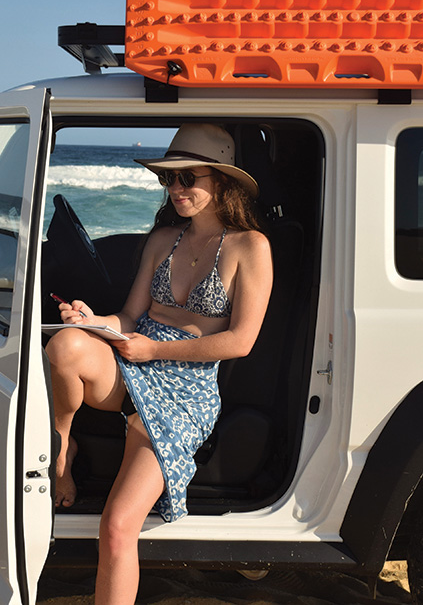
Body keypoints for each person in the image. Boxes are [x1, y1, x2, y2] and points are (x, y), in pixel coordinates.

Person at [44, 123, 274, 604]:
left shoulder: (250, 247)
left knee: (117, 528)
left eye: (188, 178)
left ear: (221, 181)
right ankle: (62, 451)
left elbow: (240, 341)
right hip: (132, 363)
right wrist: (92, 319)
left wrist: (155, 350)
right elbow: (129, 317)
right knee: (65, 343)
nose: (176, 189)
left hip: (184, 392)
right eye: (168, 179)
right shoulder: (162, 239)